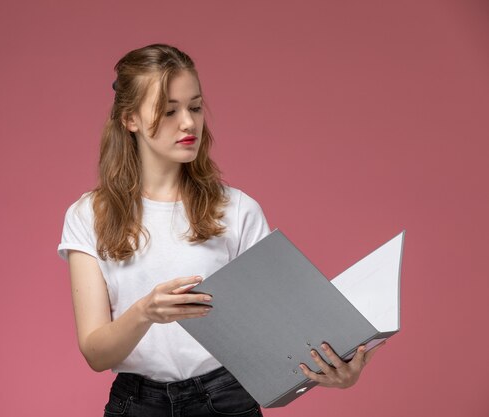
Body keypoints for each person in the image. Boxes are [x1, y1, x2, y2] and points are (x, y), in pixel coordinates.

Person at [57, 43, 383, 417]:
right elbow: (96, 354)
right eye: (168, 111)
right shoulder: (88, 215)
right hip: (136, 404)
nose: (188, 123)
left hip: (226, 398)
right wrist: (145, 311)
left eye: (195, 107)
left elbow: (282, 330)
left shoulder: (237, 209)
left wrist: (335, 366)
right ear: (130, 119)